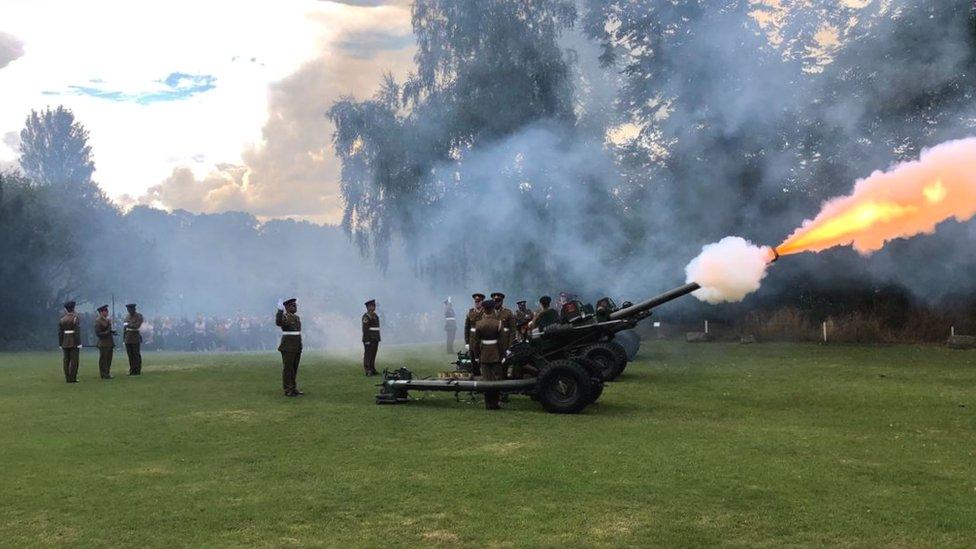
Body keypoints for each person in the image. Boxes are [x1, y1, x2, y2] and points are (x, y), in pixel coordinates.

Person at [472, 298, 503, 410]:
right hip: (495, 353)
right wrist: (502, 355)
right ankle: (495, 403)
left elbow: (476, 343)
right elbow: (501, 342)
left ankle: (488, 403)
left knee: (486, 379)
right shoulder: (498, 323)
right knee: (496, 379)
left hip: (484, 354)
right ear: (493, 308)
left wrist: (476, 355)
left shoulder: (479, 324)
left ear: (484, 309)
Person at [275, 298, 303, 397]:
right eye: (292, 305)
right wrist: (280, 311)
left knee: (294, 368)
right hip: (288, 347)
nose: (295, 307)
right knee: (288, 369)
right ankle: (288, 390)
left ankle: (293, 388)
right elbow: (278, 322)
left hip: (296, 346)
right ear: (287, 307)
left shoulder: (296, 318)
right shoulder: (285, 317)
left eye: (295, 305)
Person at [58, 301, 82, 383]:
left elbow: (60, 333)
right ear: (73, 308)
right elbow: (77, 332)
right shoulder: (75, 318)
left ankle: (67, 378)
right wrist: (78, 343)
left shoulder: (62, 319)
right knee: (74, 361)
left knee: (66, 361)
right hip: (73, 341)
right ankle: (73, 378)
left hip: (65, 341)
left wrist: (60, 343)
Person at [93, 304, 116, 379]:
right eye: (105, 311)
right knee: (103, 360)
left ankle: (107, 372)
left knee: (109, 359)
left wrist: (111, 331)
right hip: (103, 343)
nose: (107, 312)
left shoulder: (107, 320)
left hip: (109, 342)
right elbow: (98, 333)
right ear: (101, 312)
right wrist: (108, 331)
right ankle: (104, 373)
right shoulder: (98, 321)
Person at [123, 303, 144, 375]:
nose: (129, 311)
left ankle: (137, 370)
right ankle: (132, 370)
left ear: (133, 309)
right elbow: (124, 328)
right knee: (130, 355)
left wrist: (128, 325)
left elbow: (137, 326)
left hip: (135, 338)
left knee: (136, 355)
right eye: (128, 309)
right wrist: (124, 338)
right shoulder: (127, 317)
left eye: (130, 309)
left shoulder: (138, 316)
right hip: (128, 338)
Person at [362, 299, 380, 376]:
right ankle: (367, 370)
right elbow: (365, 330)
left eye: (374, 305)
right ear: (368, 307)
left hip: (375, 338)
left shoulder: (375, 315)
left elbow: (376, 328)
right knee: (368, 355)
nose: (374, 307)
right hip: (369, 339)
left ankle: (372, 369)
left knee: (373, 354)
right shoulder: (366, 317)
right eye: (373, 305)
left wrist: (378, 338)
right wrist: (367, 340)